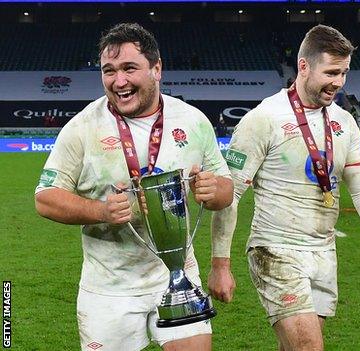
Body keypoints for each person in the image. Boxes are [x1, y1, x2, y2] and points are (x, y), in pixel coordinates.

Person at [34, 23, 233, 351]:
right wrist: (100, 210)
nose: (118, 81)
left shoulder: (193, 121)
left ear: (157, 68)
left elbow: (225, 189)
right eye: (108, 70)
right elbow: (44, 198)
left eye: (129, 68)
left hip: (177, 274)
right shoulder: (82, 128)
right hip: (110, 287)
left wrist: (213, 191)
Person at [208, 24, 360, 350]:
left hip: (324, 253)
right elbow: (231, 195)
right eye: (331, 72)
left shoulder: (344, 122)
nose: (338, 83)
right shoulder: (264, 119)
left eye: (344, 73)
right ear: (303, 66)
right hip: (275, 250)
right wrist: (220, 266)